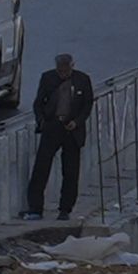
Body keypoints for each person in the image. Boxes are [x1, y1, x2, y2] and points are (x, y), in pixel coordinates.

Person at [26, 48, 98, 220]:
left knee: (71, 171)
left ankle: (65, 209)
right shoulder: (48, 78)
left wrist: (77, 122)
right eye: (60, 71)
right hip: (52, 128)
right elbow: (38, 103)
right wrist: (42, 121)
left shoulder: (82, 80)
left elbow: (87, 105)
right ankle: (36, 208)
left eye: (66, 71)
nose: (63, 74)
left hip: (72, 130)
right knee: (41, 169)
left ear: (72, 66)